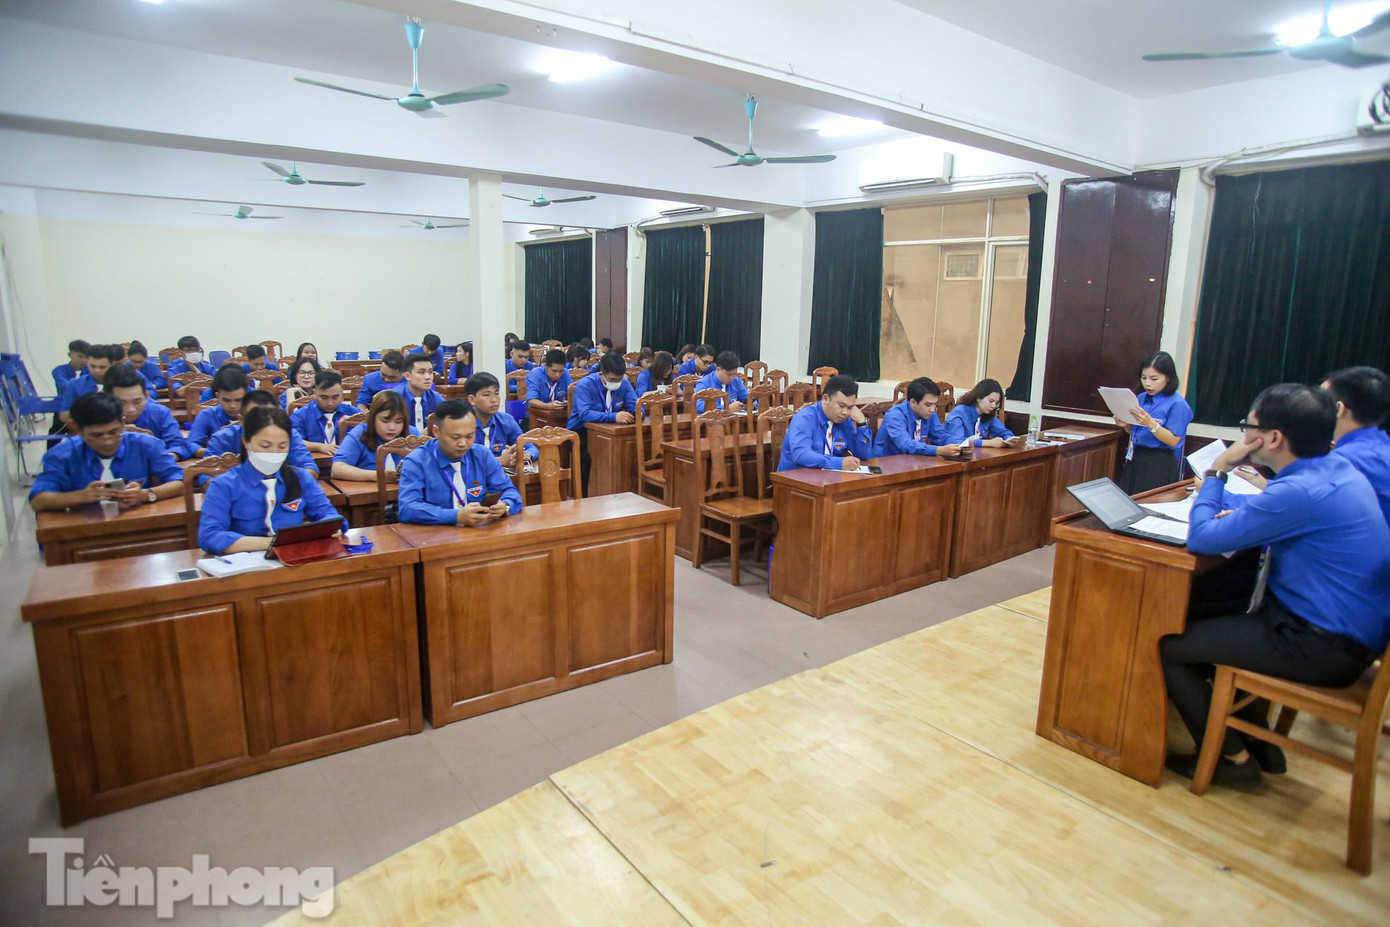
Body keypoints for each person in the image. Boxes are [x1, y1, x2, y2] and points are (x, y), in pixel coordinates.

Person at [1160, 383, 1390, 786]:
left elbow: (1202, 539)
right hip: (1343, 630)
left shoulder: (1299, 491)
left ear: (1272, 438)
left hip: (1320, 645)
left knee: (1171, 646)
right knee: (1203, 612)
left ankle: (1233, 760)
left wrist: (1218, 471)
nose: (1244, 436)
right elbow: (1277, 511)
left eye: (1247, 427)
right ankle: (1259, 743)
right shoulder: (1335, 470)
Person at [198, 406, 345, 554]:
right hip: (244, 561)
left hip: (294, 558)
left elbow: (328, 514)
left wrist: (332, 527)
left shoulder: (300, 477)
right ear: (246, 442)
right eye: (265, 446)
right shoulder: (224, 485)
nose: (274, 453)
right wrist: (274, 542)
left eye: (282, 446)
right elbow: (210, 536)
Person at [29, 392, 183, 512]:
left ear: (123, 423)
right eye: (96, 435)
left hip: (138, 520)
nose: (107, 441)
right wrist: (80, 496)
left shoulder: (146, 445)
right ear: (78, 431)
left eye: (114, 432)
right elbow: (38, 500)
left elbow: (181, 482)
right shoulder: (61, 455)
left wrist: (146, 494)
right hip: (85, 528)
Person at [397, 398, 523, 526]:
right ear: (436, 432)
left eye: (469, 436)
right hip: (433, 532)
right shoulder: (416, 462)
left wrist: (506, 505)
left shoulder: (482, 455)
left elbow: (510, 491)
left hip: (475, 531)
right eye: (455, 437)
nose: (463, 444)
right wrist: (456, 516)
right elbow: (407, 508)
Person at [1322, 366, 1390, 528]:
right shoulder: (1382, 443)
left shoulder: (1345, 460)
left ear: (1338, 409)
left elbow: (1298, 505)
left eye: (1317, 401)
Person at [1115, 350, 1192, 493]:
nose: (1147, 383)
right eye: (1144, 378)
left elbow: (1174, 440)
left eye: (1154, 379)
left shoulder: (1177, 404)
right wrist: (1126, 426)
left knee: (1149, 503)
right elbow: (1138, 433)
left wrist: (1151, 423)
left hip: (1160, 462)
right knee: (1129, 500)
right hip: (1136, 457)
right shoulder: (1141, 398)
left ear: (1168, 378)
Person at [569, 352, 637, 491]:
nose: (616, 383)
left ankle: (618, 491)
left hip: (612, 430)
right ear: (602, 374)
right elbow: (585, 414)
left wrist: (637, 413)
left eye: (619, 379)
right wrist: (613, 416)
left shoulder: (624, 384)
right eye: (612, 379)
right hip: (581, 431)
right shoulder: (585, 384)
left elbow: (635, 405)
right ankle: (585, 494)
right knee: (588, 459)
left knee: (629, 453)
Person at [778, 374, 873, 471]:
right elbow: (801, 455)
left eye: (850, 408)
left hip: (829, 477)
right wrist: (838, 463)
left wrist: (862, 423)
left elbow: (864, 455)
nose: (845, 412)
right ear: (825, 399)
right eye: (841, 406)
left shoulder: (844, 421)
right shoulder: (805, 418)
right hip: (796, 477)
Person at [205, 390, 317, 472]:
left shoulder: (289, 435)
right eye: (255, 418)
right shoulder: (221, 439)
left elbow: (309, 468)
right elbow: (206, 478)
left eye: (269, 416)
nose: (263, 423)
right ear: (241, 420)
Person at [103, 364, 192, 460]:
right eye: (121, 403)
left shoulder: (160, 413)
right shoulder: (96, 418)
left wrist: (159, 457)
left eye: (137, 401)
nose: (131, 409)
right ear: (107, 398)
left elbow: (179, 446)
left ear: (146, 395)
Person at [331, 390, 420, 481]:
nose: (392, 427)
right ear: (373, 418)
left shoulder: (413, 435)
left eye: (398, 422)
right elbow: (337, 469)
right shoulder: (360, 433)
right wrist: (377, 475)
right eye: (385, 421)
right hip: (369, 488)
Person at [873, 377, 963, 459]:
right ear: (913, 402)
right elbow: (906, 445)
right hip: (886, 463)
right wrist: (939, 450)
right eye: (928, 404)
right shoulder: (895, 416)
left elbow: (941, 436)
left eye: (935, 404)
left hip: (914, 461)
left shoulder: (929, 413)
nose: (932, 409)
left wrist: (961, 445)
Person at [462, 372, 536, 468]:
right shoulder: (461, 424)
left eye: (496, 393)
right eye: (486, 395)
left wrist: (526, 455)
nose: (494, 400)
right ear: (472, 399)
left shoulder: (506, 420)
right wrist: (498, 462)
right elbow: (461, 462)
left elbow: (530, 446)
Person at [944, 378, 1025, 448]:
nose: (993, 406)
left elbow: (1003, 432)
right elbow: (957, 441)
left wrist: (1009, 439)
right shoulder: (959, 412)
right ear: (978, 397)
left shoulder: (987, 414)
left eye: (997, 403)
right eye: (991, 401)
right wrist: (989, 443)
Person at [290, 369, 357, 454]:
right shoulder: (301, 415)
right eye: (324, 398)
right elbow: (292, 441)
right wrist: (319, 446)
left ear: (341, 392)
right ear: (315, 393)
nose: (330, 403)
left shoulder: (353, 413)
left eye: (335, 397)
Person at [187, 366, 249, 449]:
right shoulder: (207, 415)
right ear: (218, 396)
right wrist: (215, 452)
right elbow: (191, 445)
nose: (233, 406)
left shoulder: (256, 415)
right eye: (226, 400)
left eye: (238, 400)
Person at [57, 344, 116, 422]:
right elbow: (64, 416)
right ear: (87, 362)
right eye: (92, 366)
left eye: (102, 367)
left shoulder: (120, 382)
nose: (97, 370)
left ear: (112, 364)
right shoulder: (75, 384)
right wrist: (87, 407)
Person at [393, 354, 444, 431]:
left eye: (430, 372)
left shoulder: (436, 398)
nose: (428, 377)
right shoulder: (395, 398)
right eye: (421, 372)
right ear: (407, 376)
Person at [526, 349, 572, 417]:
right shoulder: (535, 374)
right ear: (546, 366)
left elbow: (572, 394)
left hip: (557, 414)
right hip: (536, 414)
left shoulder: (565, 373)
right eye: (554, 371)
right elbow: (531, 401)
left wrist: (567, 403)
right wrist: (548, 406)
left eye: (560, 371)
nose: (558, 375)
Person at [504, 340, 535, 420]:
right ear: (512, 354)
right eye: (520, 357)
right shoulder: (504, 366)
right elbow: (502, 387)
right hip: (508, 402)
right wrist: (521, 387)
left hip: (527, 400)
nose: (523, 360)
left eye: (526, 357)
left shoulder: (530, 366)